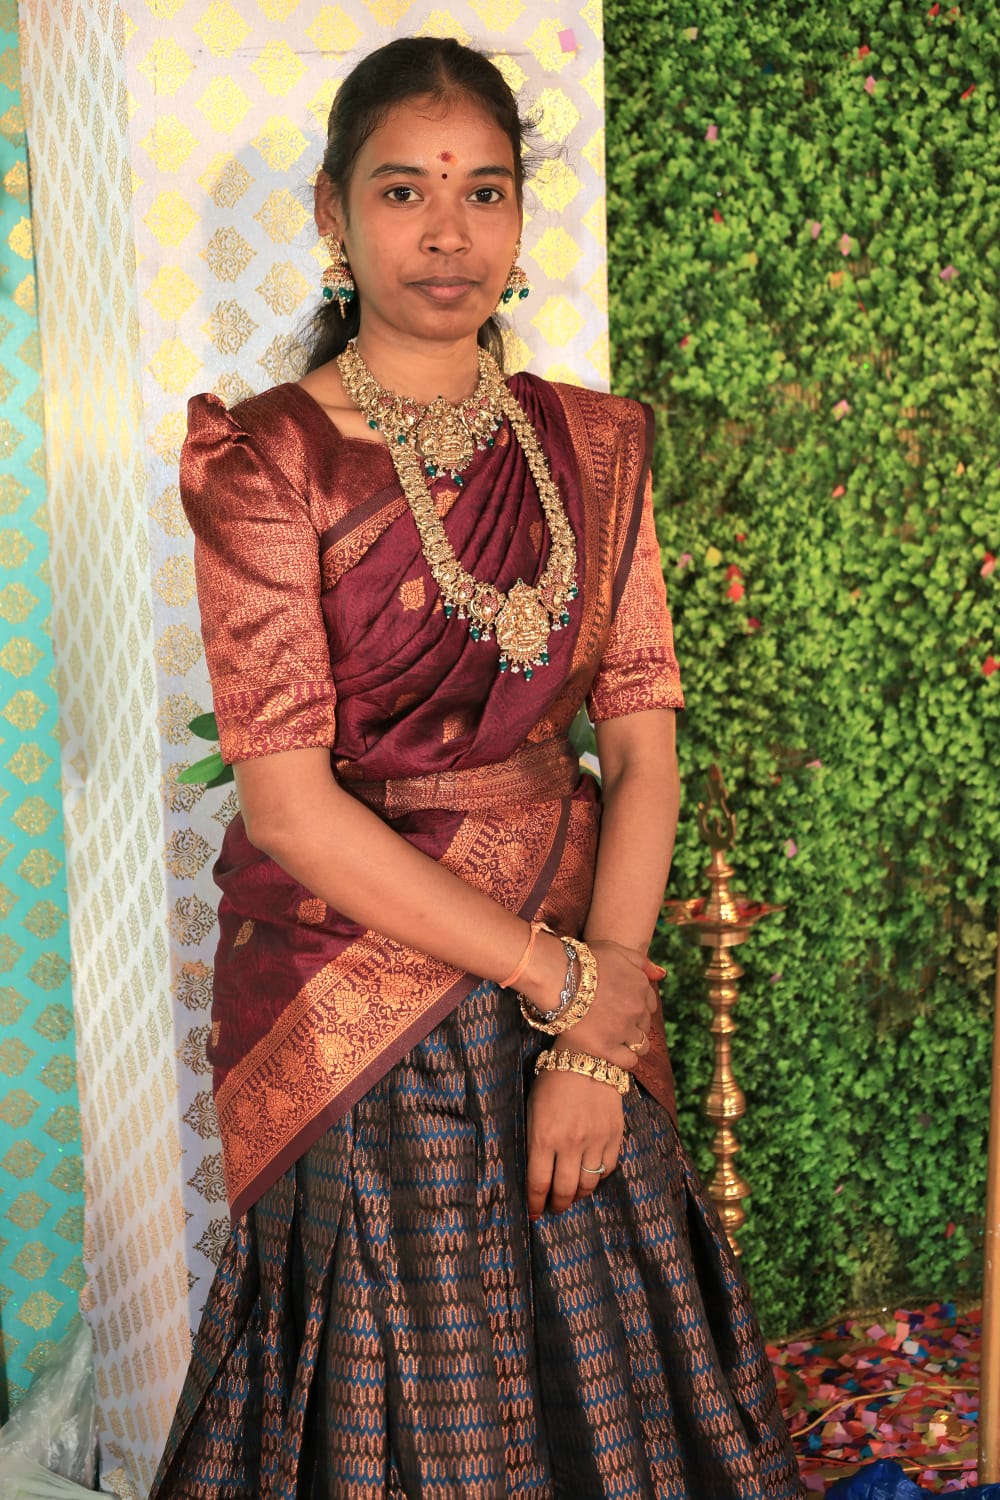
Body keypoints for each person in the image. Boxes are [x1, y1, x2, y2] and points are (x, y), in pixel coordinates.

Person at [150, 35, 803, 1500]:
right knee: (393, 1385)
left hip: (572, 967)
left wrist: (590, 1037)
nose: (447, 233)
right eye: (403, 191)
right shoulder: (265, 464)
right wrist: (564, 979)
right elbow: (290, 809)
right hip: (354, 983)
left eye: (484, 190)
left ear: (517, 216)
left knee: (612, 1365)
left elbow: (642, 753)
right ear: (334, 215)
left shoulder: (596, 448)